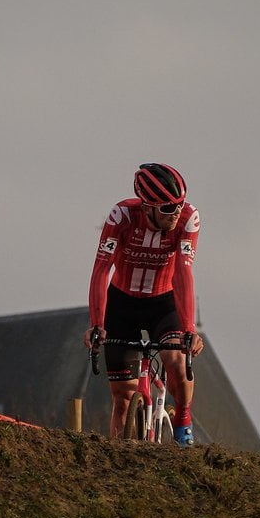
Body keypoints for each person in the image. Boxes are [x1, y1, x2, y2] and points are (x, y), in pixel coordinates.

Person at [84, 162, 205, 445]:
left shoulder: (188, 218)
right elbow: (102, 269)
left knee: (175, 359)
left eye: (179, 204)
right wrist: (97, 324)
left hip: (164, 302)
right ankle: (119, 461)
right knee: (123, 398)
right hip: (122, 303)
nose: (175, 212)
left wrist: (189, 328)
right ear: (147, 207)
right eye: (166, 208)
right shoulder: (122, 216)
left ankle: (183, 419)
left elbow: (183, 272)